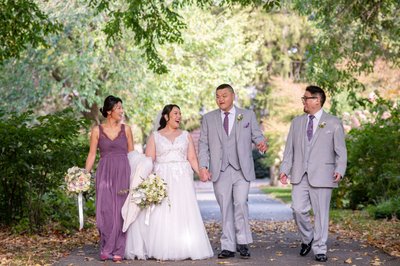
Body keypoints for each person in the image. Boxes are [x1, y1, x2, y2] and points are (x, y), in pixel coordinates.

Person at [124, 104, 214, 260]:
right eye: (175, 113)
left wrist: (201, 172)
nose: (179, 116)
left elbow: (192, 158)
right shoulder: (155, 136)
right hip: (162, 178)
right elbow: (149, 161)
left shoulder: (186, 135)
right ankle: (161, 248)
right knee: (162, 212)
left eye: (180, 113)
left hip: (183, 178)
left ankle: (186, 246)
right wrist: (147, 183)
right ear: (166, 117)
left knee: (183, 209)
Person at [198, 84, 267, 259]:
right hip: (219, 170)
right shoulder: (208, 118)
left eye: (224, 95)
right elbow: (204, 144)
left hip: (241, 169)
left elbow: (257, 135)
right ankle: (227, 245)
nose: (220, 99)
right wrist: (203, 166)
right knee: (225, 207)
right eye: (217, 96)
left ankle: (243, 243)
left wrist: (261, 143)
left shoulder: (248, 115)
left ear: (233, 96)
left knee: (241, 204)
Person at [279, 85, 347, 262]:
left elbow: (341, 150)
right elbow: (289, 150)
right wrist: (284, 170)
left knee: (321, 214)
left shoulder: (333, 122)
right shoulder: (297, 122)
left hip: (324, 174)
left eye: (306, 98)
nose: (303, 101)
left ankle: (320, 249)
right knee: (297, 209)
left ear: (317, 100)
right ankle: (308, 238)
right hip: (300, 173)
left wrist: (340, 169)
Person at [85, 95, 134, 262]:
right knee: (105, 211)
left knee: (121, 210)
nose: (121, 111)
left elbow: (132, 155)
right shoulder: (97, 130)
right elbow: (92, 155)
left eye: (121, 107)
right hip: (104, 173)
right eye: (118, 108)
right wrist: (84, 175)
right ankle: (106, 246)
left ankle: (118, 248)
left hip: (123, 172)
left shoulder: (126, 129)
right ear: (109, 111)